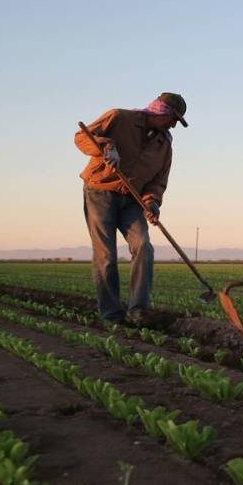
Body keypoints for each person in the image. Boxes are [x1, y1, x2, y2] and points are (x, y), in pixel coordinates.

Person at [74, 93, 188, 325]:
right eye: (173, 118)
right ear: (160, 111)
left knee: (144, 246)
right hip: (100, 191)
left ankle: (138, 310)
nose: (174, 125)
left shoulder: (164, 145)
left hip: (132, 199)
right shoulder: (119, 117)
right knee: (106, 255)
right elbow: (81, 138)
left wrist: (152, 201)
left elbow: (158, 180)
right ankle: (112, 315)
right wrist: (107, 147)